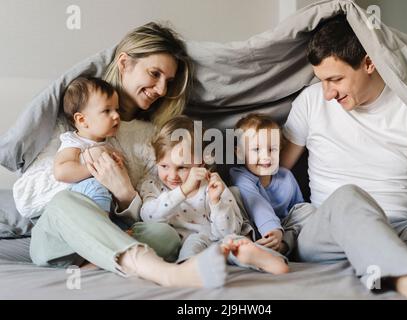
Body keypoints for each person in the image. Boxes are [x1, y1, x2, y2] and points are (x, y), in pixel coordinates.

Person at [30, 22, 229, 288]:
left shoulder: (153, 137)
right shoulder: (79, 119)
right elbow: (25, 197)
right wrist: (91, 164)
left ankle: (102, 260)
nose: (161, 89)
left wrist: (124, 192)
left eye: (168, 82)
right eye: (154, 73)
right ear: (124, 63)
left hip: (116, 230)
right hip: (61, 237)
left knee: (167, 236)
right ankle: (166, 273)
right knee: (64, 203)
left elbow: (151, 209)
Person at [280, 15, 407, 299]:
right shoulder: (310, 102)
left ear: (369, 63)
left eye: (335, 79)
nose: (327, 93)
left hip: (405, 229)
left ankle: (380, 252)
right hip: (328, 231)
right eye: (321, 80)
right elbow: (270, 171)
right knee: (349, 196)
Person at [139, 116, 289, 275]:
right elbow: (149, 216)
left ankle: (269, 259)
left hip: (219, 240)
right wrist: (183, 191)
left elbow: (229, 231)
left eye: (182, 167)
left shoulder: (212, 185)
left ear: (201, 163)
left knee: (236, 242)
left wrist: (217, 202)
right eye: (164, 166)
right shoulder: (152, 185)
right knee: (194, 243)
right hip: (188, 242)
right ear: (156, 161)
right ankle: (190, 270)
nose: (172, 175)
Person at [229, 113, 304, 257]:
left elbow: (297, 209)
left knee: (306, 210)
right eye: (256, 150)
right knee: (233, 193)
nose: (266, 156)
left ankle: (281, 247)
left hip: (282, 231)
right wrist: (273, 230)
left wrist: (281, 232)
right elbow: (258, 207)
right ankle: (252, 247)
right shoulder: (240, 176)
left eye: (272, 149)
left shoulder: (286, 177)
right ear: (240, 153)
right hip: (254, 228)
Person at [54, 77, 123, 213]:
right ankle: (102, 228)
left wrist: (116, 165)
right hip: (79, 197)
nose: (116, 116)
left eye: (117, 109)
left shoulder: (109, 143)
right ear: (82, 119)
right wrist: (95, 167)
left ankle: (109, 227)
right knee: (96, 186)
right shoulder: (74, 142)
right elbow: (61, 172)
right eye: (107, 111)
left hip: (105, 204)